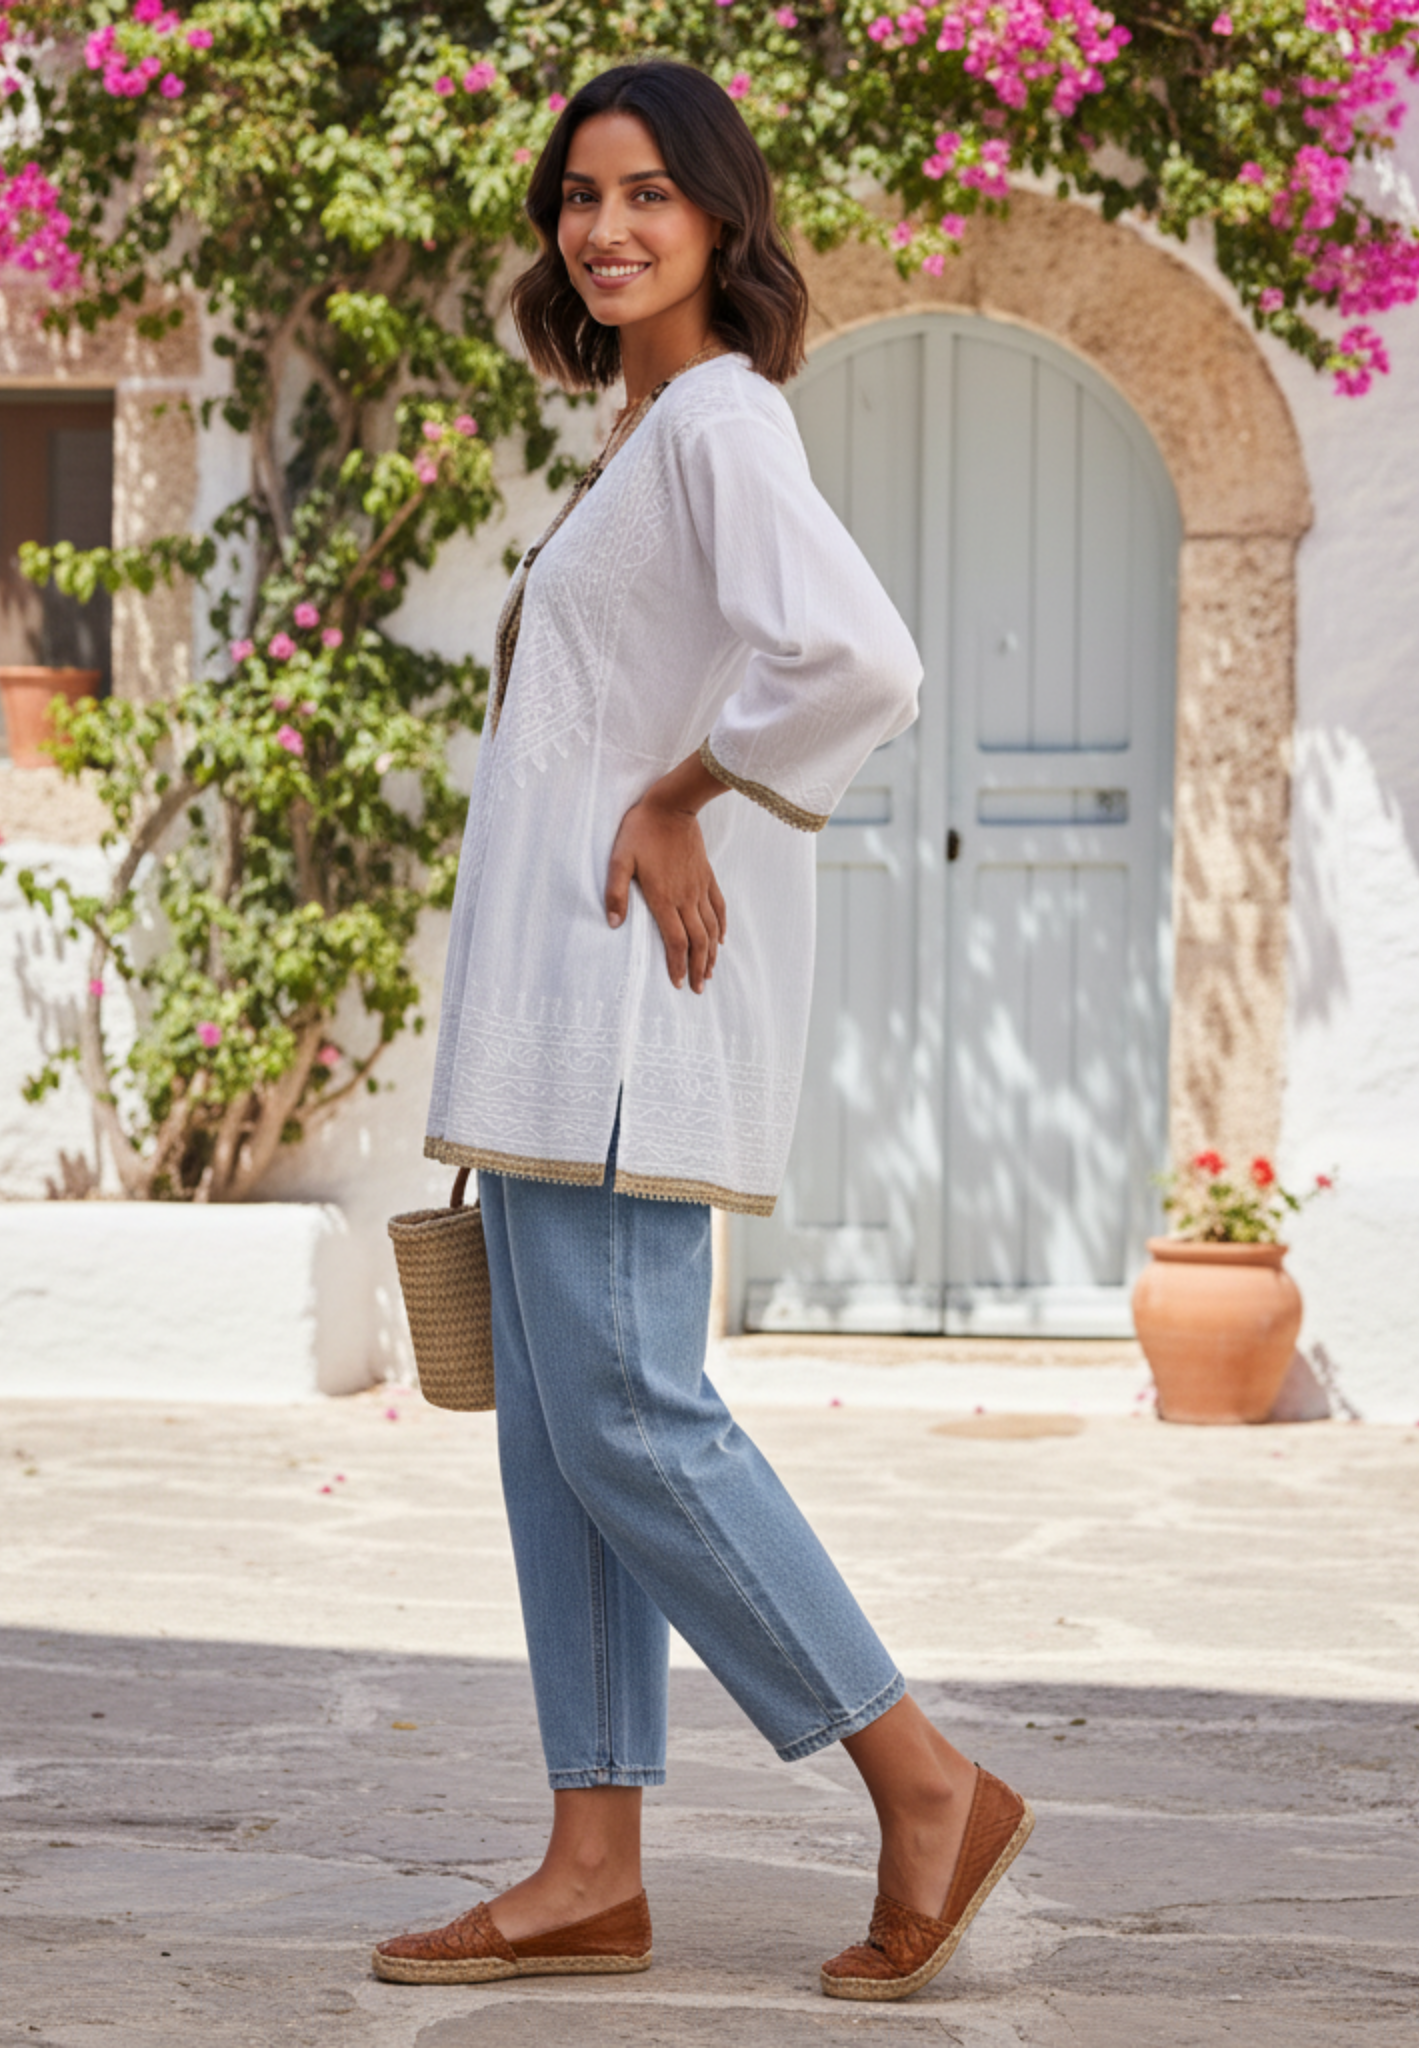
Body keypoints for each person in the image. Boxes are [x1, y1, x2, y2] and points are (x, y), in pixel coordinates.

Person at [372, 57, 1031, 2003]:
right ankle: (593, 1859)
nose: (606, 226)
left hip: (629, 1024)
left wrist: (684, 794)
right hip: (559, 1027)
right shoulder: (651, 431)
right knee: (563, 1446)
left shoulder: (721, 424)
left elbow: (867, 658)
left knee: (637, 1419)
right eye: (580, 196)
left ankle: (922, 1778)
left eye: (650, 192)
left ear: (722, 220)